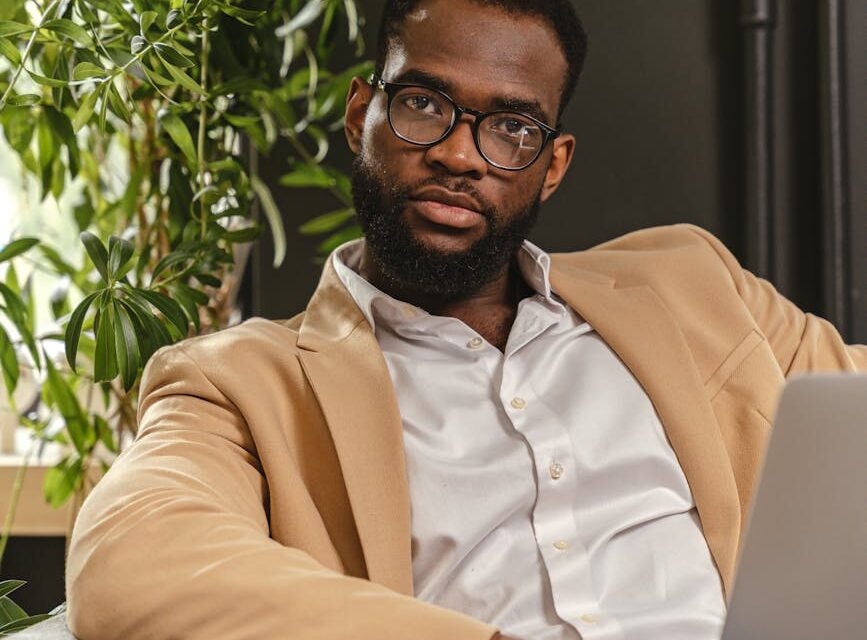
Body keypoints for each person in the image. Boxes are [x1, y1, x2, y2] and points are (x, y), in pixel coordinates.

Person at [65, 1, 867, 638]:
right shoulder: (239, 382)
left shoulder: (690, 283)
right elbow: (133, 565)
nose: (459, 155)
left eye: (512, 127)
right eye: (422, 103)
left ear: (551, 166)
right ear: (360, 116)